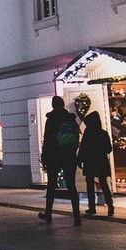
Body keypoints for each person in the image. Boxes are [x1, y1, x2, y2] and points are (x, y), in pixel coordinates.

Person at [39, 95, 81, 225]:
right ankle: (77, 217)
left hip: (54, 156)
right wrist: (73, 153)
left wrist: (45, 158)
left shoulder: (51, 119)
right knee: (71, 186)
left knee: (51, 186)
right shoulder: (71, 118)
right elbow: (75, 137)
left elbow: (47, 139)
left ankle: (48, 214)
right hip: (69, 156)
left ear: (53, 105)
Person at [78, 110, 115, 217]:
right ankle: (110, 205)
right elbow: (108, 149)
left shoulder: (88, 133)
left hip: (90, 161)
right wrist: (100, 150)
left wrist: (80, 160)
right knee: (103, 183)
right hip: (101, 161)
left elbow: (83, 148)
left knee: (89, 184)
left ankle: (92, 207)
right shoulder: (103, 133)